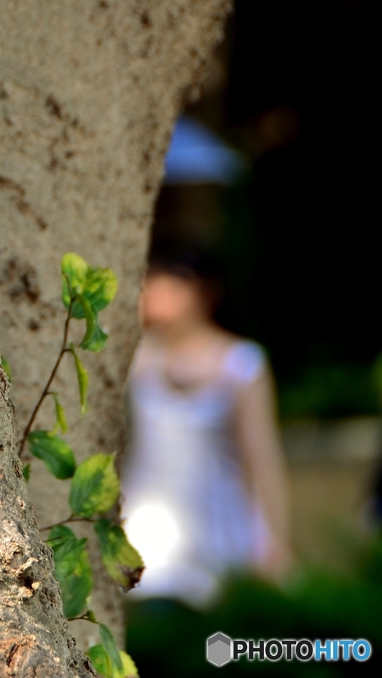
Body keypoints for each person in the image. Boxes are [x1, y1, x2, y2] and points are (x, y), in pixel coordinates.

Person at [121, 248, 293, 607]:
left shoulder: (241, 363)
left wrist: (275, 540)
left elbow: (260, 454)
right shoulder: (138, 358)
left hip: (218, 524)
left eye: (172, 281)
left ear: (204, 292)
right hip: (147, 523)